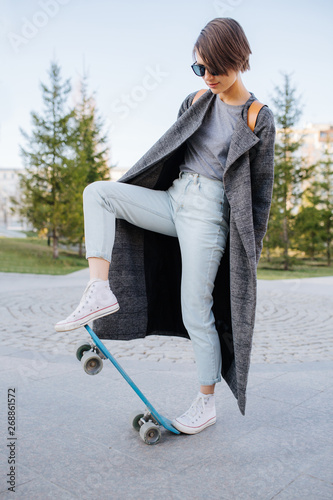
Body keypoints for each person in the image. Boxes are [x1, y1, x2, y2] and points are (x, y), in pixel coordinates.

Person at [55, 18, 275, 434]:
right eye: (199, 68)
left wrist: (249, 252)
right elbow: (169, 153)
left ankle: (205, 404)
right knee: (98, 192)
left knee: (197, 311)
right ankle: (99, 289)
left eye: (215, 69)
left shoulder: (256, 117)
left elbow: (259, 194)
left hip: (209, 218)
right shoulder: (195, 100)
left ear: (239, 59)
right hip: (173, 199)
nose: (207, 77)